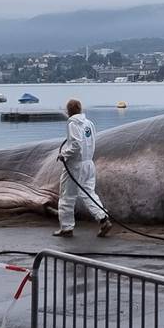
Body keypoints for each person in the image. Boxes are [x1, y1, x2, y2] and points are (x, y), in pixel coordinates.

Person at [54, 99, 112, 238]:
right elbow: (89, 142)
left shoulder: (73, 123)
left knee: (67, 196)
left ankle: (66, 228)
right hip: (88, 164)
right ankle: (103, 219)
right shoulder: (89, 123)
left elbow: (76, 145)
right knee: (89, 193)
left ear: (68, 111)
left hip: (75, 165)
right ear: (80, 109)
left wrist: (64, 155)